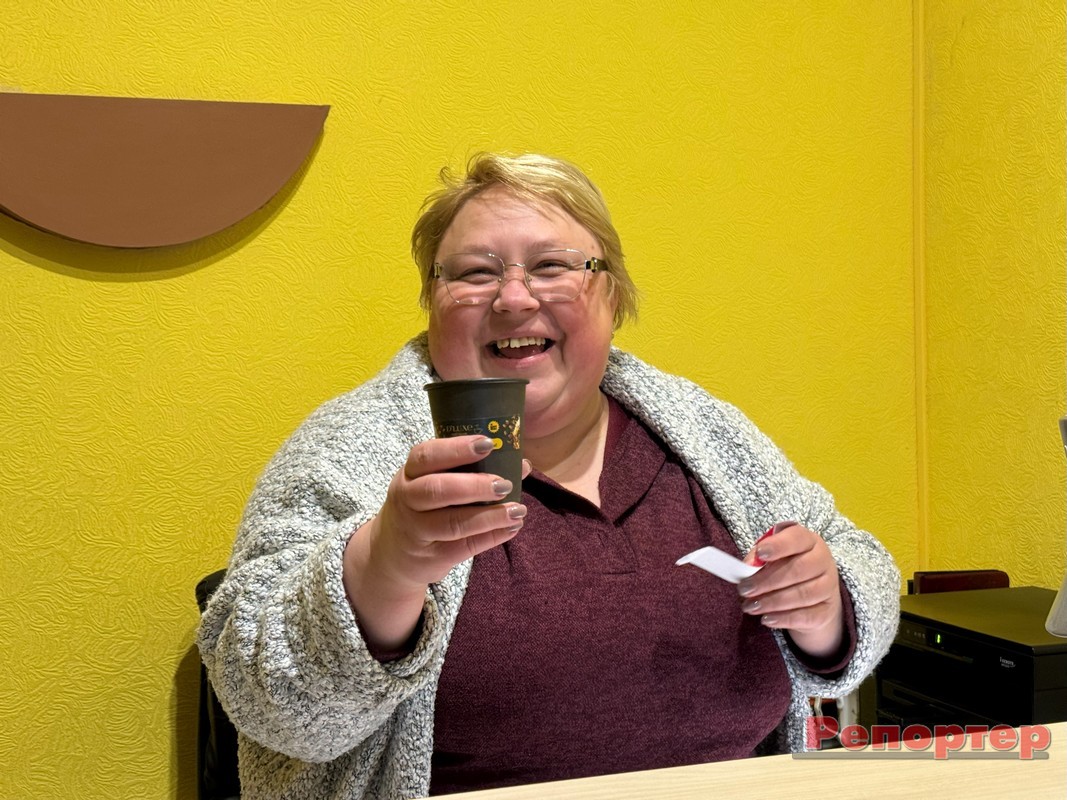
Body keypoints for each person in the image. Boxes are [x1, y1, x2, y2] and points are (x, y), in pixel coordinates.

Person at [197, 153, 900, 800]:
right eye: (474, 273)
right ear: (431, 301)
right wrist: (380, 569)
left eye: (552, 266)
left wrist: (827, 610)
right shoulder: (351, 448)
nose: (513, 298)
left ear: (613, 295)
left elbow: (857, 563)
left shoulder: (701, 429)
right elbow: (267, 706)